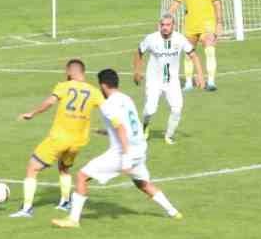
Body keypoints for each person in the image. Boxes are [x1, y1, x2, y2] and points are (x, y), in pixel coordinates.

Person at [53, 69, 181, 229]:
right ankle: (173, 211)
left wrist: (126, 157)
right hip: (140, 149)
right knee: (143, 184)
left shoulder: (108, 105)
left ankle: (73, 220)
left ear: (103, 85)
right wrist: (105, 131)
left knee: (81, 176)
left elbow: (120, 128)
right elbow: (130, 125)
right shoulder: (127, 99)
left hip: (123, 152)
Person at [10, 59, 101, 219]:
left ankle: (26, 208)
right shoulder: (94, 91)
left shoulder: (64, 86)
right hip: (78, 142)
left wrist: (32, 113)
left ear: (69, 72)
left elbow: (49, 102)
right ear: (83, 72)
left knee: (32, 168)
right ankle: (65, 202)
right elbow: (108, 108)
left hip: (59, 138)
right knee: (64, 168)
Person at [134, 14, 204, 144]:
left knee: (177, 109)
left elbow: (193, 55)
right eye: (163, 25)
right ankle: (145, 125)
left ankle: (169, 136)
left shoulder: (180, 39)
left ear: (173, 26)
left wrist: (200, 75)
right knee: (150, 109)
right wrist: (137, 71)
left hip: (172, 81)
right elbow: (139, 52)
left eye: (168, 25)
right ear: (158, 25)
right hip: (154, 81)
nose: (165, 28)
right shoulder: (151, 39)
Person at [169, 0, 221, 92]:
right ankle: (188, 83)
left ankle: (211, 81)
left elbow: (217, 4)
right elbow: (176, 4)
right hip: (190, 26)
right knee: (188, 54)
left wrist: (219, 22)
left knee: (210, 50)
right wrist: (167, 18)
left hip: (207, 26)